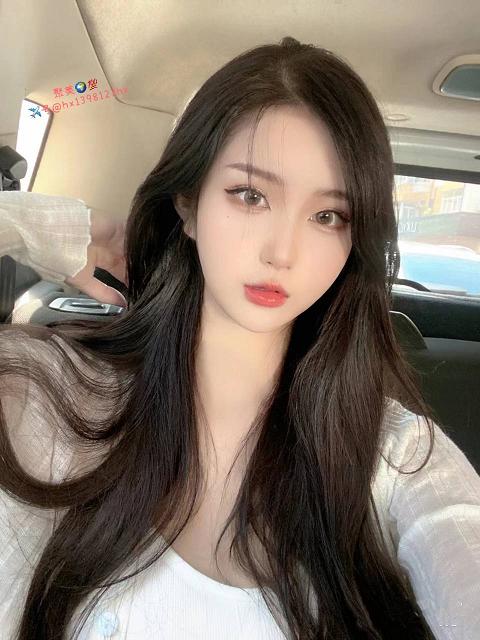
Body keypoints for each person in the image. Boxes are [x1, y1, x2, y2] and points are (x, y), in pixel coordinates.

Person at [0, 36, 479, 640]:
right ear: (188, 204)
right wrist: (39, 226)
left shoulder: (394, 455)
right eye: (250, 195)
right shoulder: (45, 390)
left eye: (328, 216)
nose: (283, 251)